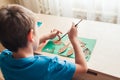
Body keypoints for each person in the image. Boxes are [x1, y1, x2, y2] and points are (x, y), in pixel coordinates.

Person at [0, 4, 87, 80]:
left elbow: (25, 45)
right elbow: (82, 69)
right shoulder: (48, 65)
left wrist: (47, 36)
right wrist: (74, 39)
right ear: (31, 35)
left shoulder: (3, 57)